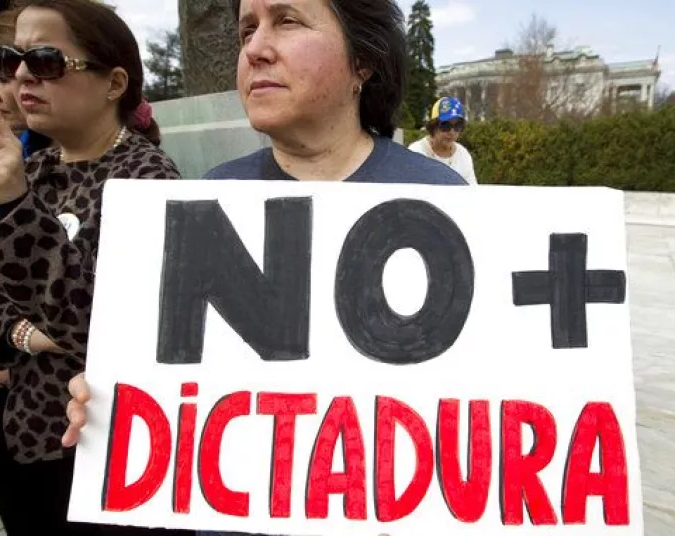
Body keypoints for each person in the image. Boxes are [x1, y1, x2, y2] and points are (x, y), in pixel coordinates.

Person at [65, 0, 466, 533]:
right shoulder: (206, 199)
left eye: (287, 20)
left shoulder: (445, 198)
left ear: (363, 60)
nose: (254, 49)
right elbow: (163, 371)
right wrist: (110, 400)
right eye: (247, 30)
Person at [0, 0, 184, 534]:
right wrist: (24, 335)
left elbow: (109, 329)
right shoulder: (31, 169)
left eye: (45, 60)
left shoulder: (149, 180)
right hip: (24, 444)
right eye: (11, 58)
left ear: (114, 83)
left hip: (112, 453)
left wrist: (15, 210)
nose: (21, 76)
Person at [408, 96, 478, 185]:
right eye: (445, 126)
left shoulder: (463, 154)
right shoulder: (416, 152)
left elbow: (472, 189)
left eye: (457, 126)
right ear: (433, 126)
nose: (452, 132)